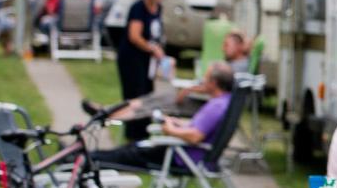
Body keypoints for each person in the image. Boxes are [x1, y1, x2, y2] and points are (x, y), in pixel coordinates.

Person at [92, 64, 237, 171]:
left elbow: (195, 137)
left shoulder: (216, 107)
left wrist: (170, 130)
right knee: (130, 149)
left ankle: (86, 159)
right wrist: (179, 123)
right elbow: (199, 129)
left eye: (205, 78)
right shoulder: (225, 102)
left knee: (127, 154)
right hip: (187, 153)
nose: (202, 81)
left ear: (213, 83)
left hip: (183, 156)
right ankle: (86, 157)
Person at [86, 29, 251, 122]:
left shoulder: (237, 68)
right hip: (197, 98)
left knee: (152, 105)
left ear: (239, 47)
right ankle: (107, 111)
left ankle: (108, 116)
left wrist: (188, 90)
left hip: (200, 102)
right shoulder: (237, 64)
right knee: (150, 99)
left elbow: (216, 88)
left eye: (226, 45)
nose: (223, 48)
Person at [118, 0, 166, 103]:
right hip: (133, 57)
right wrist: (152, 49)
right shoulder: (138, 8)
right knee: (135, 94)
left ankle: (144, 122)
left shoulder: (159, 8)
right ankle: (130, 122)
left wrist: (159, 49)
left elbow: (156, 33)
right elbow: (134, 36)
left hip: (148, 59)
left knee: (148, 93)